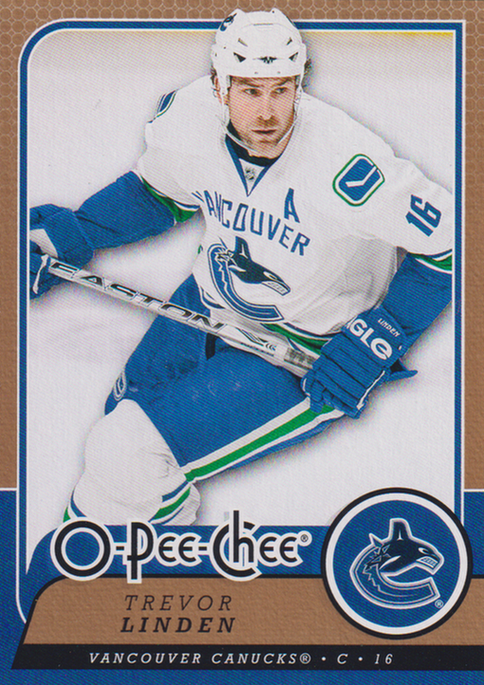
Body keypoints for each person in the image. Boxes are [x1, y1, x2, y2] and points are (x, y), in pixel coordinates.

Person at [29, 9, 452, 526]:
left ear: (300, 85)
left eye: (281, 90)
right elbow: (158, 194)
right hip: (205, 307)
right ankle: (140, 541)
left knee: (126, 453)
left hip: (305, 352)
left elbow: (451, 245)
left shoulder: (347, 162)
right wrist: (73, 234)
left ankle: (101, 567)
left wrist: (379, 336)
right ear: (219, 85)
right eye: (250, 91)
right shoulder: (189, 117)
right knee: (121, 435)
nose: (268, 112)